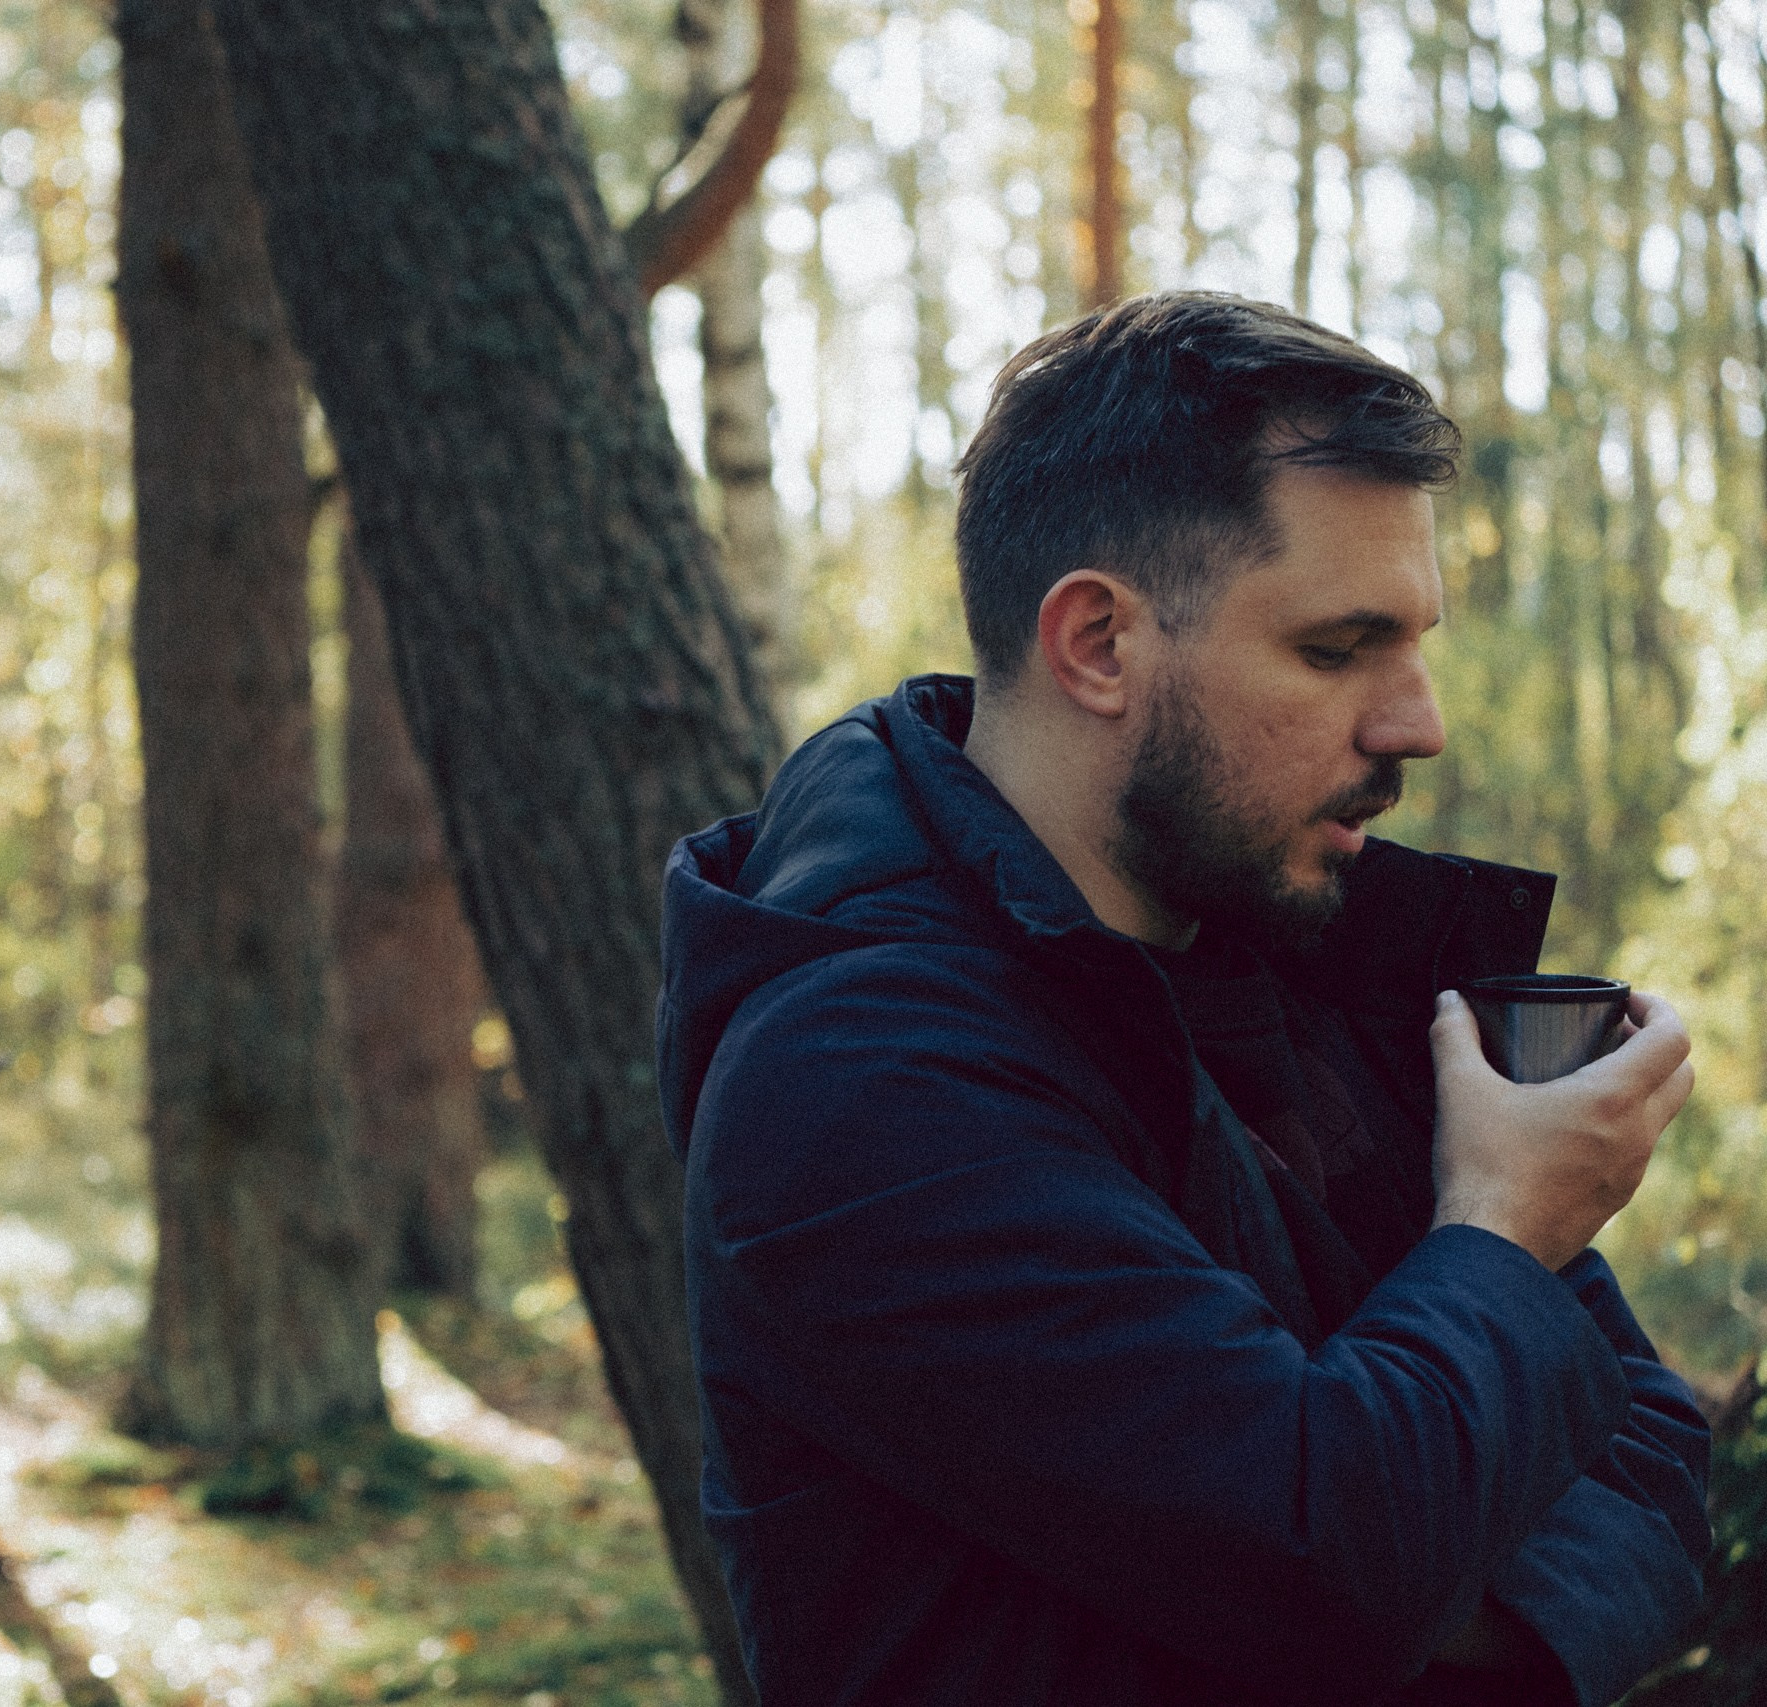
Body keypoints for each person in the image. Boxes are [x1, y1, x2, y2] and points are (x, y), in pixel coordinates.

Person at [659, 292, 1711, 1706]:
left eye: (1416, 646)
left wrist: (1444, 1581)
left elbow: (1658, 1455)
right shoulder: (860, 1076)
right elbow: (1327, 1564)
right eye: (1339, 650)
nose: (1419, 725)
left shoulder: (1295, 952)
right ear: (1097, 643)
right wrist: (1507, 1228)